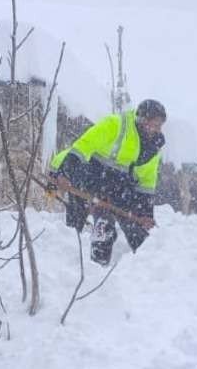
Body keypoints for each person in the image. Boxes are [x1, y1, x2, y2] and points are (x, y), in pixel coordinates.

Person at [49, 99, 167, 265]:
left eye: (158, 125)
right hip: (88, 171)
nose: (154, 129)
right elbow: (83, 147)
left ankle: (146, 262)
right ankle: (76, 248)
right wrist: (64, 173)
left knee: (137, 228)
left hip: (117, 182)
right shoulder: (115, 125)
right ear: (141, 119)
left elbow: (146, 183)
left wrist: (145, 215)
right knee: (92, 221)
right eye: (151, 124)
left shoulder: (153, 147)